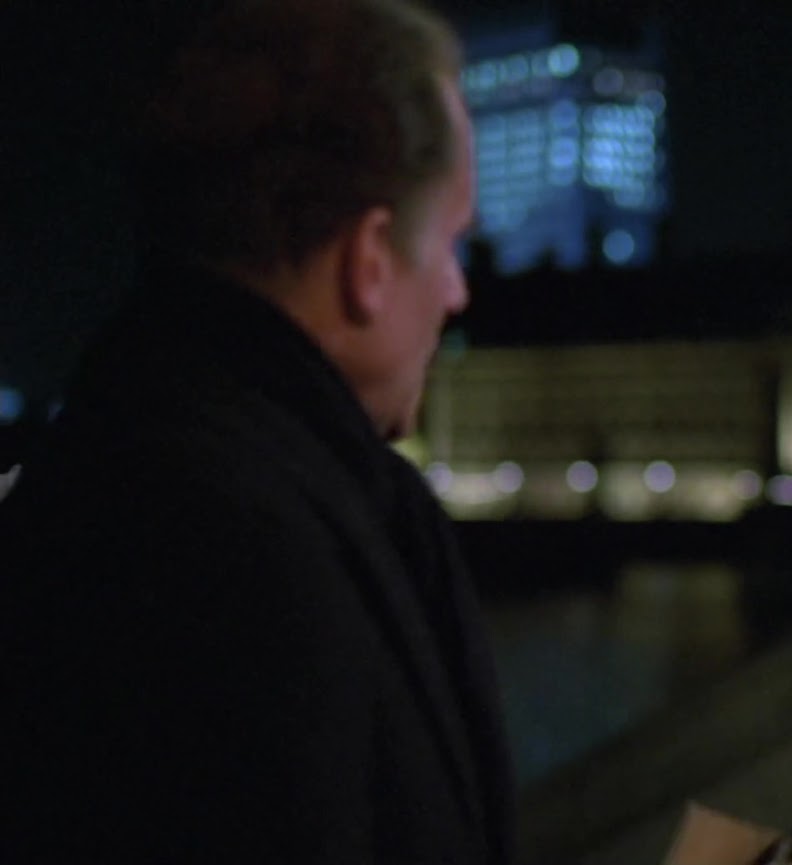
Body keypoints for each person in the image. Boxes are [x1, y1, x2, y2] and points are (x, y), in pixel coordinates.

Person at [0, 1, 515, 863]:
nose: (458, 291)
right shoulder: (230, 553)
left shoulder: (132, 466)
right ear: (370, 261)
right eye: (453, 240)